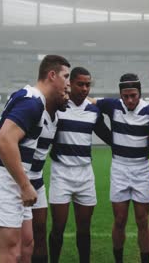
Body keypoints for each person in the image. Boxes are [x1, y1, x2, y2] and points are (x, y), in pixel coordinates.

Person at [0, 54, 70, 263]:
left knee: (27, 246)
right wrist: (25, 184)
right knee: (11, 254)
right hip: (4, 179)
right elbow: (5, 140)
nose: (68, 83)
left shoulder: (31, 98)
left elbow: (3, 129)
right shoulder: (33, 101)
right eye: (66, 77)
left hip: (15, 180)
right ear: (52, 75)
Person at [48, 67, 111, 263]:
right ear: (71, 84)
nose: (84, 88)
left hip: (85, 175)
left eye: (88, 85)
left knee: (84, 228)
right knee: (58, 227)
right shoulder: (59, 107)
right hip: (61, 174)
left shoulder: (93, 110)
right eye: (80, 84)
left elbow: (109, 137)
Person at [92, 73, 149, 263]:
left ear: (140, 93)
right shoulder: (113, 106)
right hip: (119, 168)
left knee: (142, 220)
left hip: (142, 169)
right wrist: (109, 138)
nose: (129, 100)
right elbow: (90, 102)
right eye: (125, 96)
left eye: (133, 95)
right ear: (120, 95)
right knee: (119, 220)